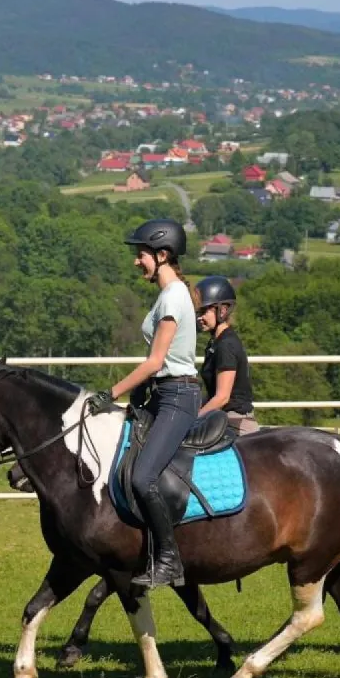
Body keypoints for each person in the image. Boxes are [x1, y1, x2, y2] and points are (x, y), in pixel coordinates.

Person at [87, 218, 199, 588]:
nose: (137, 261)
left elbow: (155, 361)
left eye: (142, 255)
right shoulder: (167, 295)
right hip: (162, 393)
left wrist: (111, 393)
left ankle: (170, 560)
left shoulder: (173, 297)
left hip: (178, 397)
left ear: (162, 255)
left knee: (142, 475)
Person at [194, 275, 258, 434]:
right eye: (198, 312)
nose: (199, 317)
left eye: (204, 311)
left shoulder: (226, 345)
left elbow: (222, 397)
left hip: (234, 422)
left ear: (222, 310)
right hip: (222, 416)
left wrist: (194, 418)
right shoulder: (215, 342)